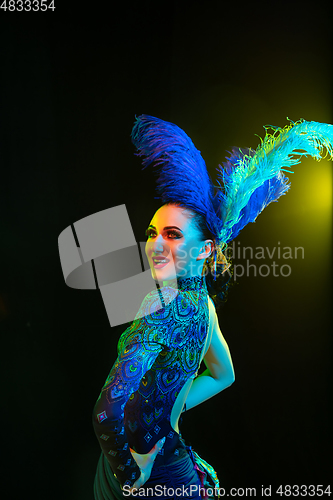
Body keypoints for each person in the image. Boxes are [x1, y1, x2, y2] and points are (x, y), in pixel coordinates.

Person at [58, 115, 332, 499]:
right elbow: (224, 374)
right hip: (166, 462)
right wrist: (170, 407)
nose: (155, 244)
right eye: (152, 233)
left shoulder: (162, 305)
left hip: (146, 475)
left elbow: (105, 414)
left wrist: (128, 472)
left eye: (172, 235)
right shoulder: (205, 306)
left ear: (204, 250)